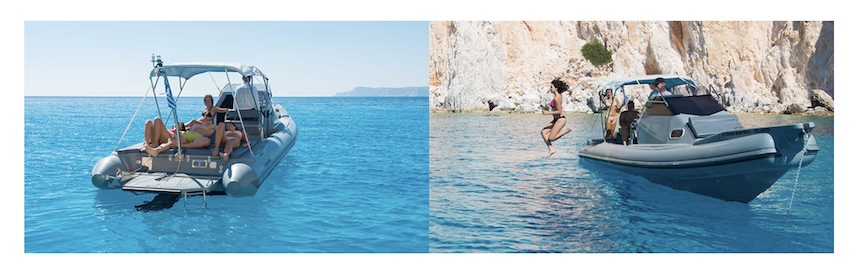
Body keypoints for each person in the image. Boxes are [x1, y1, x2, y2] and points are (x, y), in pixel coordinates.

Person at [540, 78, 573, 158]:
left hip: (560, 120)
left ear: (556, 88)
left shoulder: (557, 97)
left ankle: (566, 131)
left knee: (551, 138)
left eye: (551, 87)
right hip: (556, 119)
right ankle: (551, 149)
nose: (550, 88)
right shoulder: (556, 96)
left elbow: (559, 111)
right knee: (543, 132)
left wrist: (548, 112)